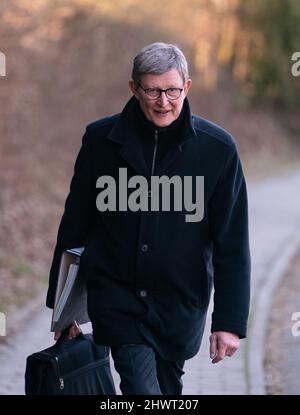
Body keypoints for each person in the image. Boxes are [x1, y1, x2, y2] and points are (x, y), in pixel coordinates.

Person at [46, 42, 251, 395]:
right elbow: (75, 225)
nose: (163, 101)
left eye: (172, 90)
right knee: (142, 388)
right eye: (152, 90)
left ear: (186, 86)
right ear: (134, 88)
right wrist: (63, 312)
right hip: (117, 298)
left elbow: (231, 243)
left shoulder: (217, 149)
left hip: (180, 305)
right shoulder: (100, 141)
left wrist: (229, 323)